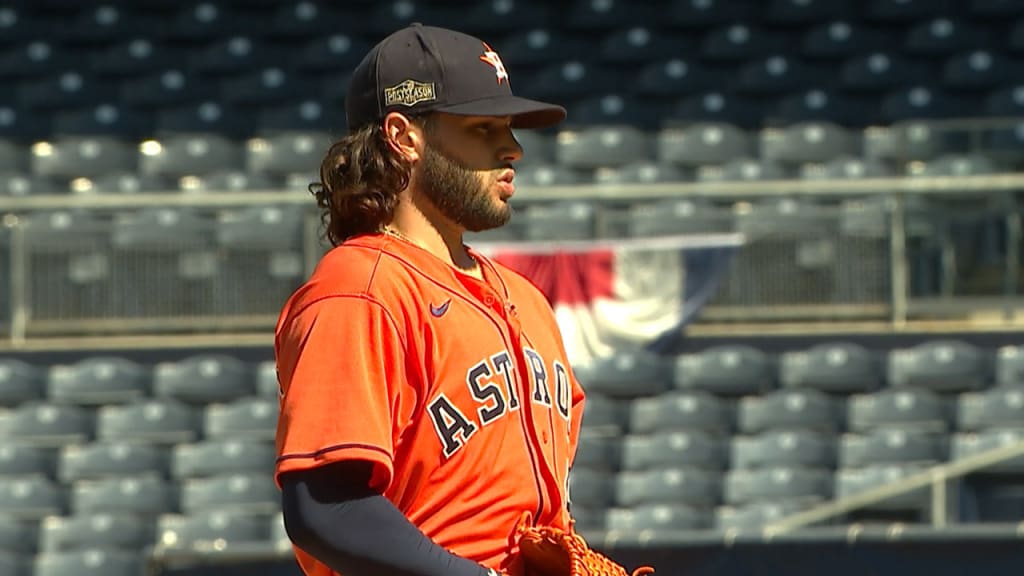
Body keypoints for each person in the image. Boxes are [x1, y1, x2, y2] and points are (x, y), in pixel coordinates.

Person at [273, 23, 587, 576]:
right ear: (403, 135)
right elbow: (327, 506)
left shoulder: (528, 302)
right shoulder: (361, 290)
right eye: (484, 126)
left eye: (509, 127)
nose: (512, 147)